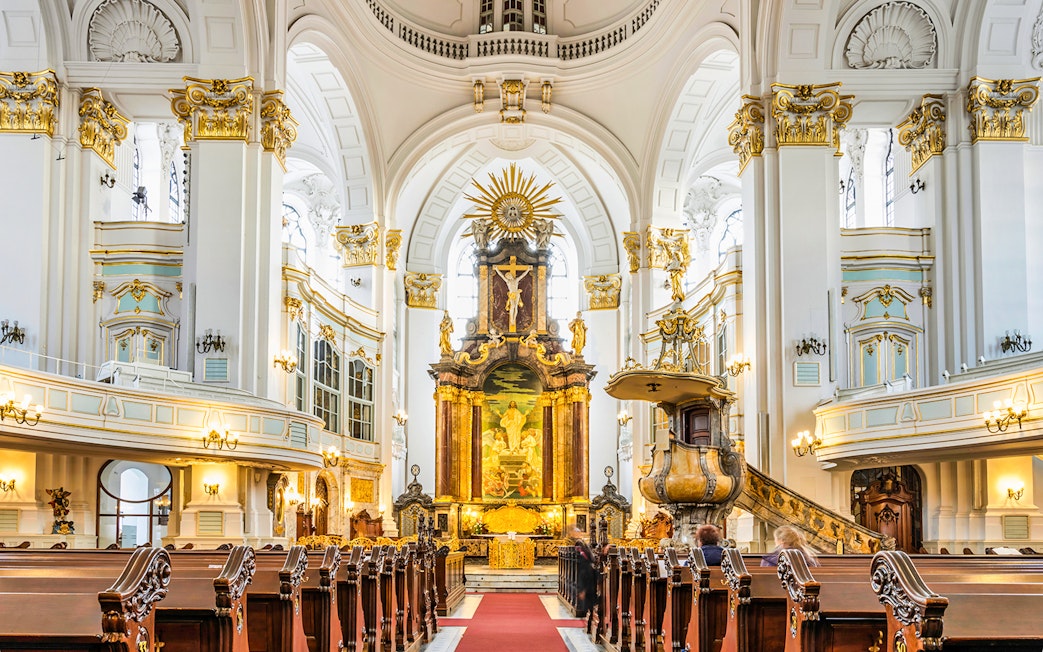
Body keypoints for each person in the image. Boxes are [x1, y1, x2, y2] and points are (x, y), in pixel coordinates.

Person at [571, 527, 597, 619]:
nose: (578, 534)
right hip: (584, 570)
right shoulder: (577, 544)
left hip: (587, 570)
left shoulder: (582, 543)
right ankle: (587, 612)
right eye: (576, 532)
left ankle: (589, 612)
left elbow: (588, 556)